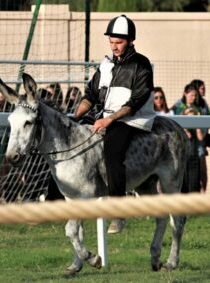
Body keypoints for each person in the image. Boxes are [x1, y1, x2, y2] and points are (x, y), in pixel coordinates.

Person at [74, 15, 155, 234]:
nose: (114, 46)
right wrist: (74, 117)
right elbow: (90, 95)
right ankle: (53, 202)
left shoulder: (142, 64)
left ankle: (118, 214)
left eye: (118, 42)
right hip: (105, 116)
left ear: (130, 40)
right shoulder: (106, 64)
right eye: (111, 42)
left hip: (132, 119)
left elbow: (136, 102)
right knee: (68, 136)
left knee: (112, 149)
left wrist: (109, 120)